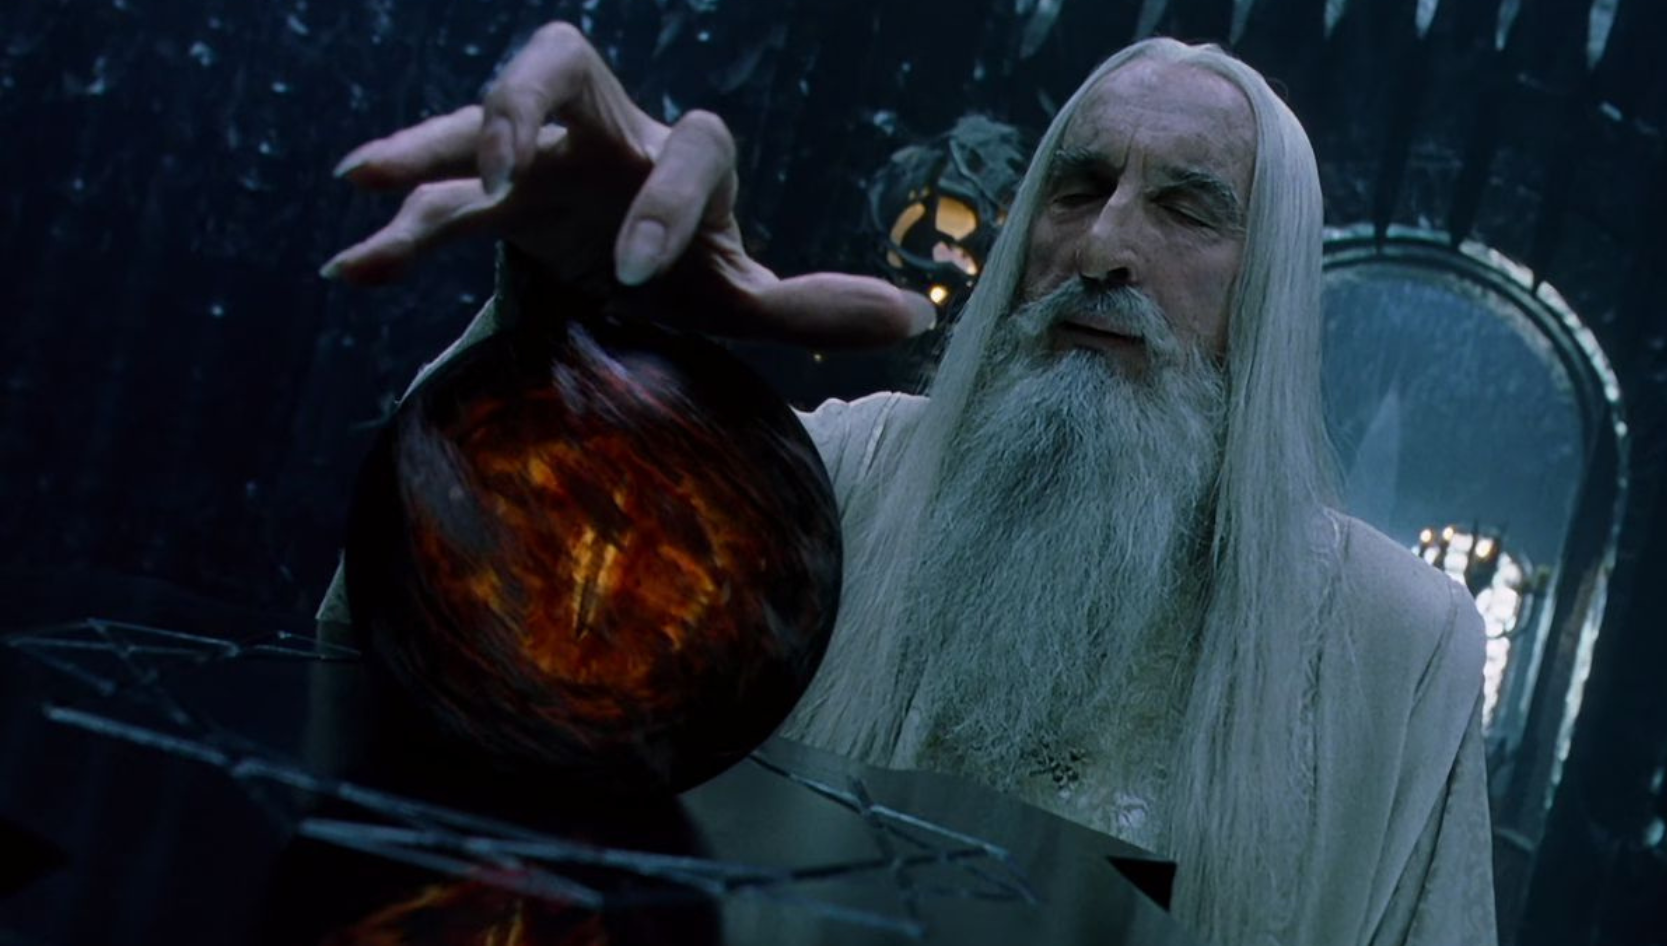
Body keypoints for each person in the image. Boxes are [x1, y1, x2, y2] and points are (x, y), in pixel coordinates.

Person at [317, 22, 1496, 945]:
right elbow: (485, 620)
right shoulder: (833, 484)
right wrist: (574, 337)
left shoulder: (1398, 646)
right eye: (1078, 189)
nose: (1103, 248)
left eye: (1189, 208)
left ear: (1272, 286)